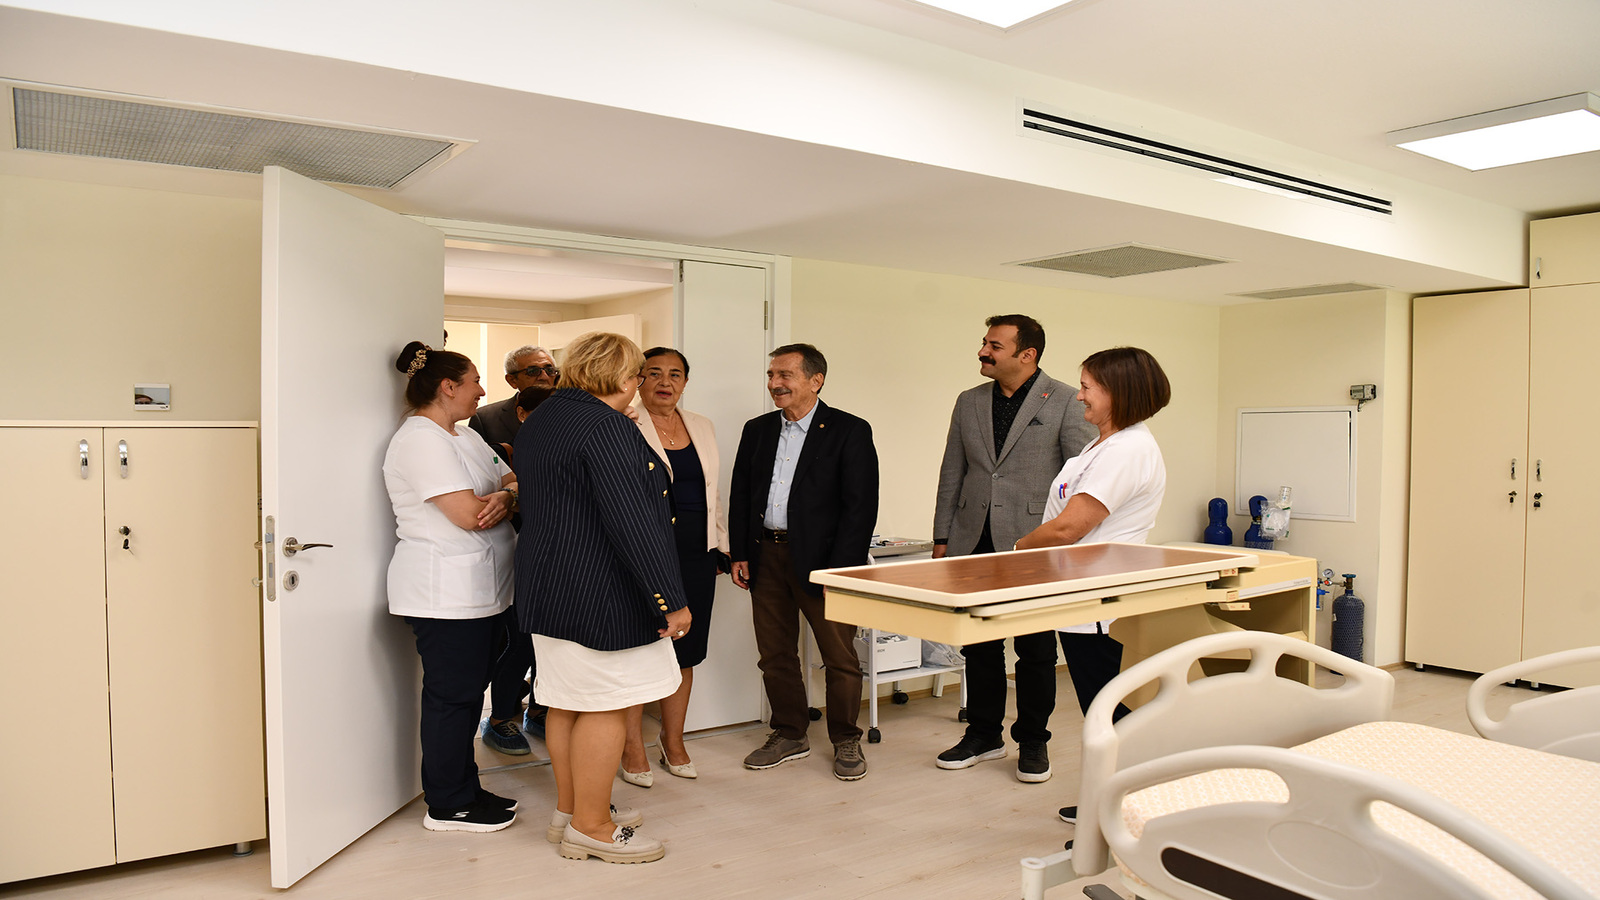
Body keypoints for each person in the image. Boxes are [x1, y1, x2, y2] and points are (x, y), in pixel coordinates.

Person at [514, 331, 690, 864]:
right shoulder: (606, 426)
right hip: (601, 590)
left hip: (549, 586)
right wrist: (669, 599)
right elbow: (633, 522)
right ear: (623, 377)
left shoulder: (544, 416)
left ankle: (571, 811)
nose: (640, 383)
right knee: (608, 705)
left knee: (568, 702)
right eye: (639, 374)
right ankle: (593, 827)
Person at [932, 315, 1096, 784]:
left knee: (1036, 650)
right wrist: (942, 538)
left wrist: (1070, 543)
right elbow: (952, 470)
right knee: (979, 646)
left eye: (994, 345)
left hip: (1034, 543)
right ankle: (983, 735)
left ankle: (1033, 741)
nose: (983, 352)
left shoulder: (1065, 400)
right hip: (973, 540)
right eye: (984, 343)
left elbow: (1080, 480)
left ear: (1027, 355)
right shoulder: (969, 401)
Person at [1012, 346, 1169, 825]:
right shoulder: (1102, 445)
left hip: (1100, 601)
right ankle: (1113, 804)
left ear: (1118, 393)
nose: (1078, 395)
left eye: (1087, 387)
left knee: (1110, 713)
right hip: (1080, 595)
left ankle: (1125, 812)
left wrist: (1017, 551)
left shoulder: (1127, 451)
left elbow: (1069, 527)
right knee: (1101, 712)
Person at [382, 340, 520, 833]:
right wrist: (504, 499)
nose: (482, 391)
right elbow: (467, 514)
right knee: (452, 698)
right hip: (444, 593)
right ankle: (447, 804)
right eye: (475, 381)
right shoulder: (420, 441)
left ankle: (466, 789)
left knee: (467, 696)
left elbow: (513, 479)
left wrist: (505, 496)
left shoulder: (465, 435)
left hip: (482, 590)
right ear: (447, 387)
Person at [729, 343, 879, 781]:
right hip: (766, 556)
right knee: (775, 653)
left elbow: (860, 507)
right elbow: (741, 495)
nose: (775, 383)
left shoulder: (850, 430)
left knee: (840, 656)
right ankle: (790, 732)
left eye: (785, 375)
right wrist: (740, 552)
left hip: (824, 562)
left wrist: (840, 569)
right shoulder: (757, 430)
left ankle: (846, 737)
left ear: (816, 381)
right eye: (771, 375)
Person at [618, 347, 730, 786]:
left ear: (685, 382)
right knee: (641, 649)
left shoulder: (701, 424)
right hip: (645, 555)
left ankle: (673, 740)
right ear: (638, 379)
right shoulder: (624, 422)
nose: (665, 382)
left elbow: (712, 491)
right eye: (655, 373)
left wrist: (720, 545)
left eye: (676, 374)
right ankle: (631, 746)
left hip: (696, 554)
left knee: (686, 650)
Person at [479, 383, 556, 757]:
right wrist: (515, 495)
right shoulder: (504, 452)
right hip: (521, 557)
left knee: (551, 641)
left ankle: (539, 709)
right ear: (522, 414)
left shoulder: (565, 446)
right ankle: (499, 718)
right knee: (522, 641)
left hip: (559, 557)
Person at [469, 345, 560, 451]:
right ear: (512, 380)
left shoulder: (571, 412)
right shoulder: (485, 419)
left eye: (549, 370)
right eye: (533, 371)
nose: (544, 377)